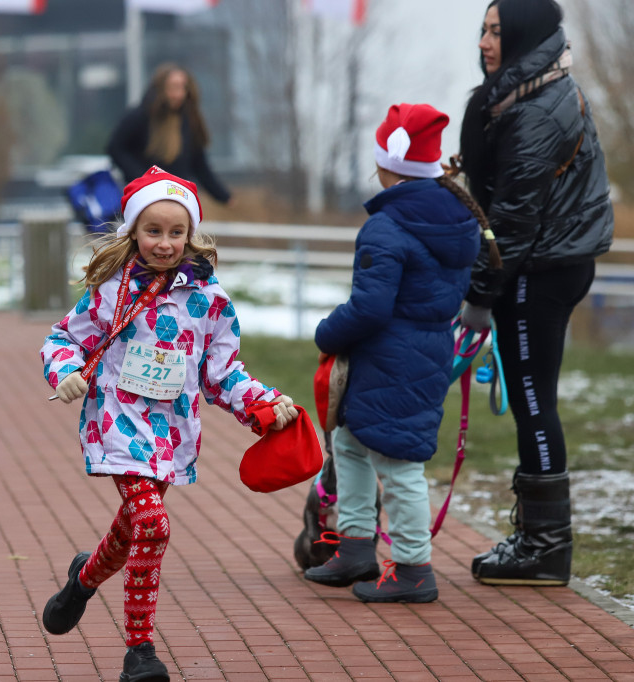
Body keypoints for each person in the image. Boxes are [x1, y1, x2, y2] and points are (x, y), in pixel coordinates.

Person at [39, 166, 298, 681]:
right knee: (153, 526)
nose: (164, 243)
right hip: (117, 421)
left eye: (175, 232)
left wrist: (264, 405)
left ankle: (83, 580)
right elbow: (63, 338)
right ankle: (140, 652)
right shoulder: (111, 289)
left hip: (171, 432)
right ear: (133, 230)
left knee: (134, 527)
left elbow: (222, 374)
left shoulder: (210, 299)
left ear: (191, 233)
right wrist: (66, 370)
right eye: (152, 231)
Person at [304, 104, 494, 603]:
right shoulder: (456, 219)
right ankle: (355, 546)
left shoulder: (387, 228)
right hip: (424, 350)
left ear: (387, 164)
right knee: (350, 443)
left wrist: (328, 333)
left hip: (390, 355)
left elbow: (370, 307)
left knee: (399, 462)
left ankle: (414, 569)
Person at [456, 0, 613, 586]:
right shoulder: (528, 92)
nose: (486, 40)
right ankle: (542, 540)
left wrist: (478, 298)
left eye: (498, 30)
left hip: (541, 269)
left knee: (532, 398)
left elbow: (513, 220)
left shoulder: (538, 109)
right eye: (484, 29)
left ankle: (546, 544)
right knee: (531, 396)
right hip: (544, 261)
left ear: (524, 34)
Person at [107, 63, 233, 207]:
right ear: (160, 90)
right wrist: (143, 180)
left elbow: (199, 164)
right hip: (144, 197)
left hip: (177, 197)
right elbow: (115, 148)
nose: (179, 94)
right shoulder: (141, 116)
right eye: (173, 87)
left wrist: (224, 196)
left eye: (183, 88)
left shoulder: (189, 121)